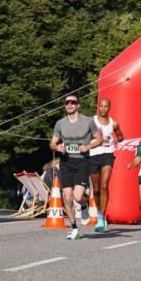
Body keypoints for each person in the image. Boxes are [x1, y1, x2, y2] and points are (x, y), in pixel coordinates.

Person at [50, 94, 102, 241]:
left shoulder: (88, 121)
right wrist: (57, 147)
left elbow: (99, 138)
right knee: (67, 197)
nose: (69, 104)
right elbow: (52, 143)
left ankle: (83, 206)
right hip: (66, 161)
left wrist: (89, 146)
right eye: (67, 102)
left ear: (78, 105)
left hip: (82, 162)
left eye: (73, 102)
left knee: (78, 197)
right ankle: (74, 228)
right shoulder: (60, 123)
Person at [88, 98, 123, 233]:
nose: (103, 109)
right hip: (93, 156)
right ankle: (99, 212)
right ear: (98, 107)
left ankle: (102, 218)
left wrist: (116, 139)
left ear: (109, 108)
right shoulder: (92, 121)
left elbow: (121, 136)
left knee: (104, 186)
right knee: (96, 189)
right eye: (101, 106)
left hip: (108, 155)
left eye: (105, 106)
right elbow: (83, 135)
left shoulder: (113, 124)